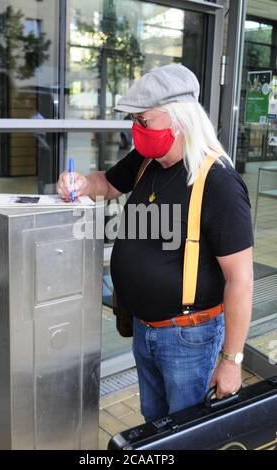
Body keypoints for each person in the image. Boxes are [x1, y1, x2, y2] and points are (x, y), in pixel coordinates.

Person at [58, 64, 254, 422]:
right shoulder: (147, 160)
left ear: (179, 119)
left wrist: (231, 361)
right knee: (155, 426)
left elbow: (240, 279)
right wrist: (81, 183)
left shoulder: (220, 183)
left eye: (144, 121)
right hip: (144, 329)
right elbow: (107, 183)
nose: (136, 130)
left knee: (186, 433)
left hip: (189, 339)